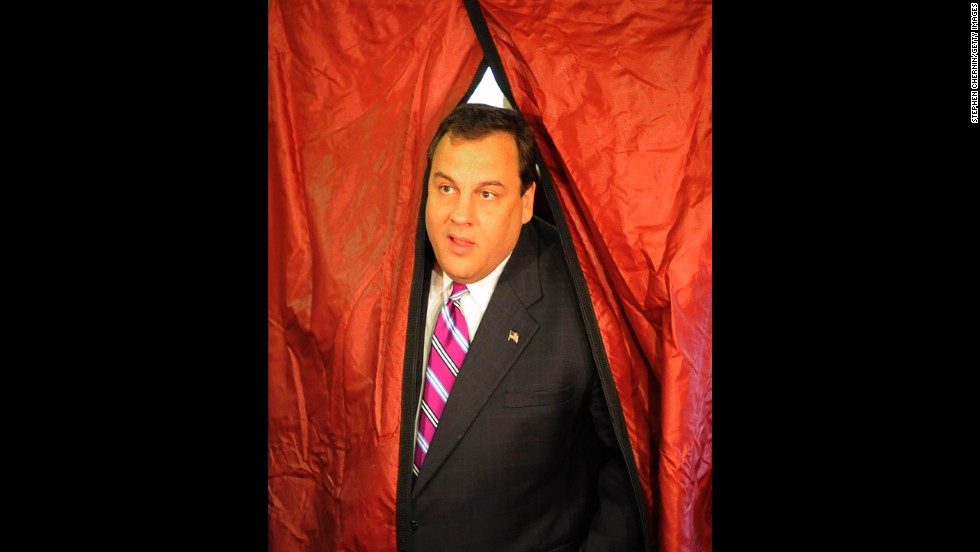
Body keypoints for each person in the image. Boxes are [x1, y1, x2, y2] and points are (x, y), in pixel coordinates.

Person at [398, 103, 645, 551]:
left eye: (487, 194)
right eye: (446, 188)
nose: (461, 215)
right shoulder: (385, 270)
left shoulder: (584, 295)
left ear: (527, 201)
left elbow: (630, 470)